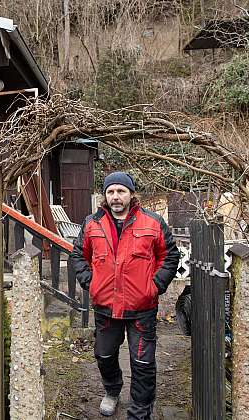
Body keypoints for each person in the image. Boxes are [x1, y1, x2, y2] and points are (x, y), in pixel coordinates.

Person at [70, 171, 180, 419]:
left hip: (142, 307)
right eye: (111, 192)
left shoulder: (152, 222)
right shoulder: (92, 223)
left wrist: (154, 286)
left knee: (142, 363)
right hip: (106, 306)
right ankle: (112, 390)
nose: (116, 197)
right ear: (105, 195)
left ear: (131, 194)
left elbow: (170, 256)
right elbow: (78, 255)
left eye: (121, 191)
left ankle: (139, 412)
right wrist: (92, 282)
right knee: (104, 354)